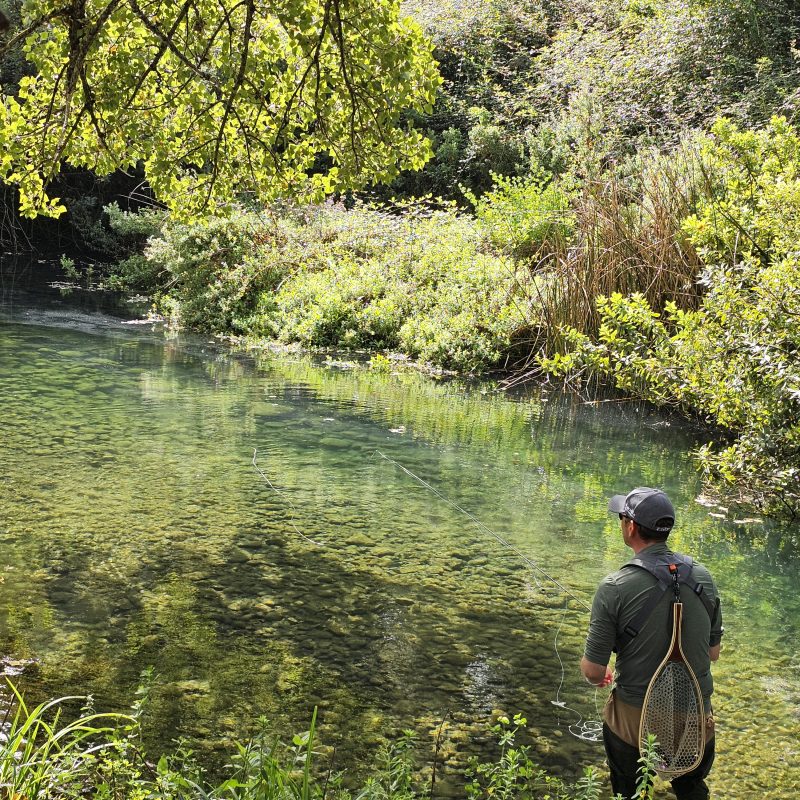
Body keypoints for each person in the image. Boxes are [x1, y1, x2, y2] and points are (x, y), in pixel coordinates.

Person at [581, 487, 723, 800]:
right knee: (691, 790)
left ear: (630, 527)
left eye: (622, 517)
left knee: (629, 791)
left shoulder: (614, 587)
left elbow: (593, 672)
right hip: (695, 716)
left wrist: (601, 672)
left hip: (635, 719)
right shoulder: (704, 577)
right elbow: (713, 653)